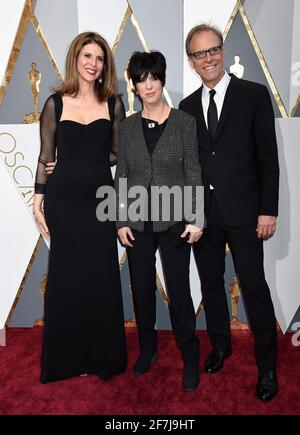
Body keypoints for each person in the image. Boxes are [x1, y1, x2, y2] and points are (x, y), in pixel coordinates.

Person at [179, 24, 279, 401]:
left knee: (254, 288)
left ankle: (267, 365)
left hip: (245, 213)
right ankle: (220, 346)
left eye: (212, 50)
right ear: (191, 62)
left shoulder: (253, 95)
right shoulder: (187, 106)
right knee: (211, 285)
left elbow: (268, 159)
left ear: (222, 51)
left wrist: (268, 210)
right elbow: (190, 165)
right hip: (204, 216)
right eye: (199, 54)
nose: (207, 59)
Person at [33, 31, 127, 383]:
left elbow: (118, 152)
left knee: (100, 276)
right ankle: (65, 361)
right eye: (87, 56)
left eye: (100, 58)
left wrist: (86, 160)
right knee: (66, 279)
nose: (93, 63)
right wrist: (38, 200)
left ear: (105, 66)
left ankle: (103, 358)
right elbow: (46, 155)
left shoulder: (113, 102)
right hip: (64, 202)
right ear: (76, 59)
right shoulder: (55, 103)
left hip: (101, 202)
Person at [114, 51, 204, 391]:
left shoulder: (184, 122)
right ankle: (148, 348)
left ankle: (189, 356)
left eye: (153, 78)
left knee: (179, 291)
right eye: (142, 79)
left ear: (162, 80)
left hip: (175, 220)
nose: (148, 85)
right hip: (136, 221)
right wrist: (120, 219)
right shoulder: (127, 127)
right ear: (135, 85)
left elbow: (194, 171)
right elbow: (121, 174)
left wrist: (196, 217)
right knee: (142, 289)